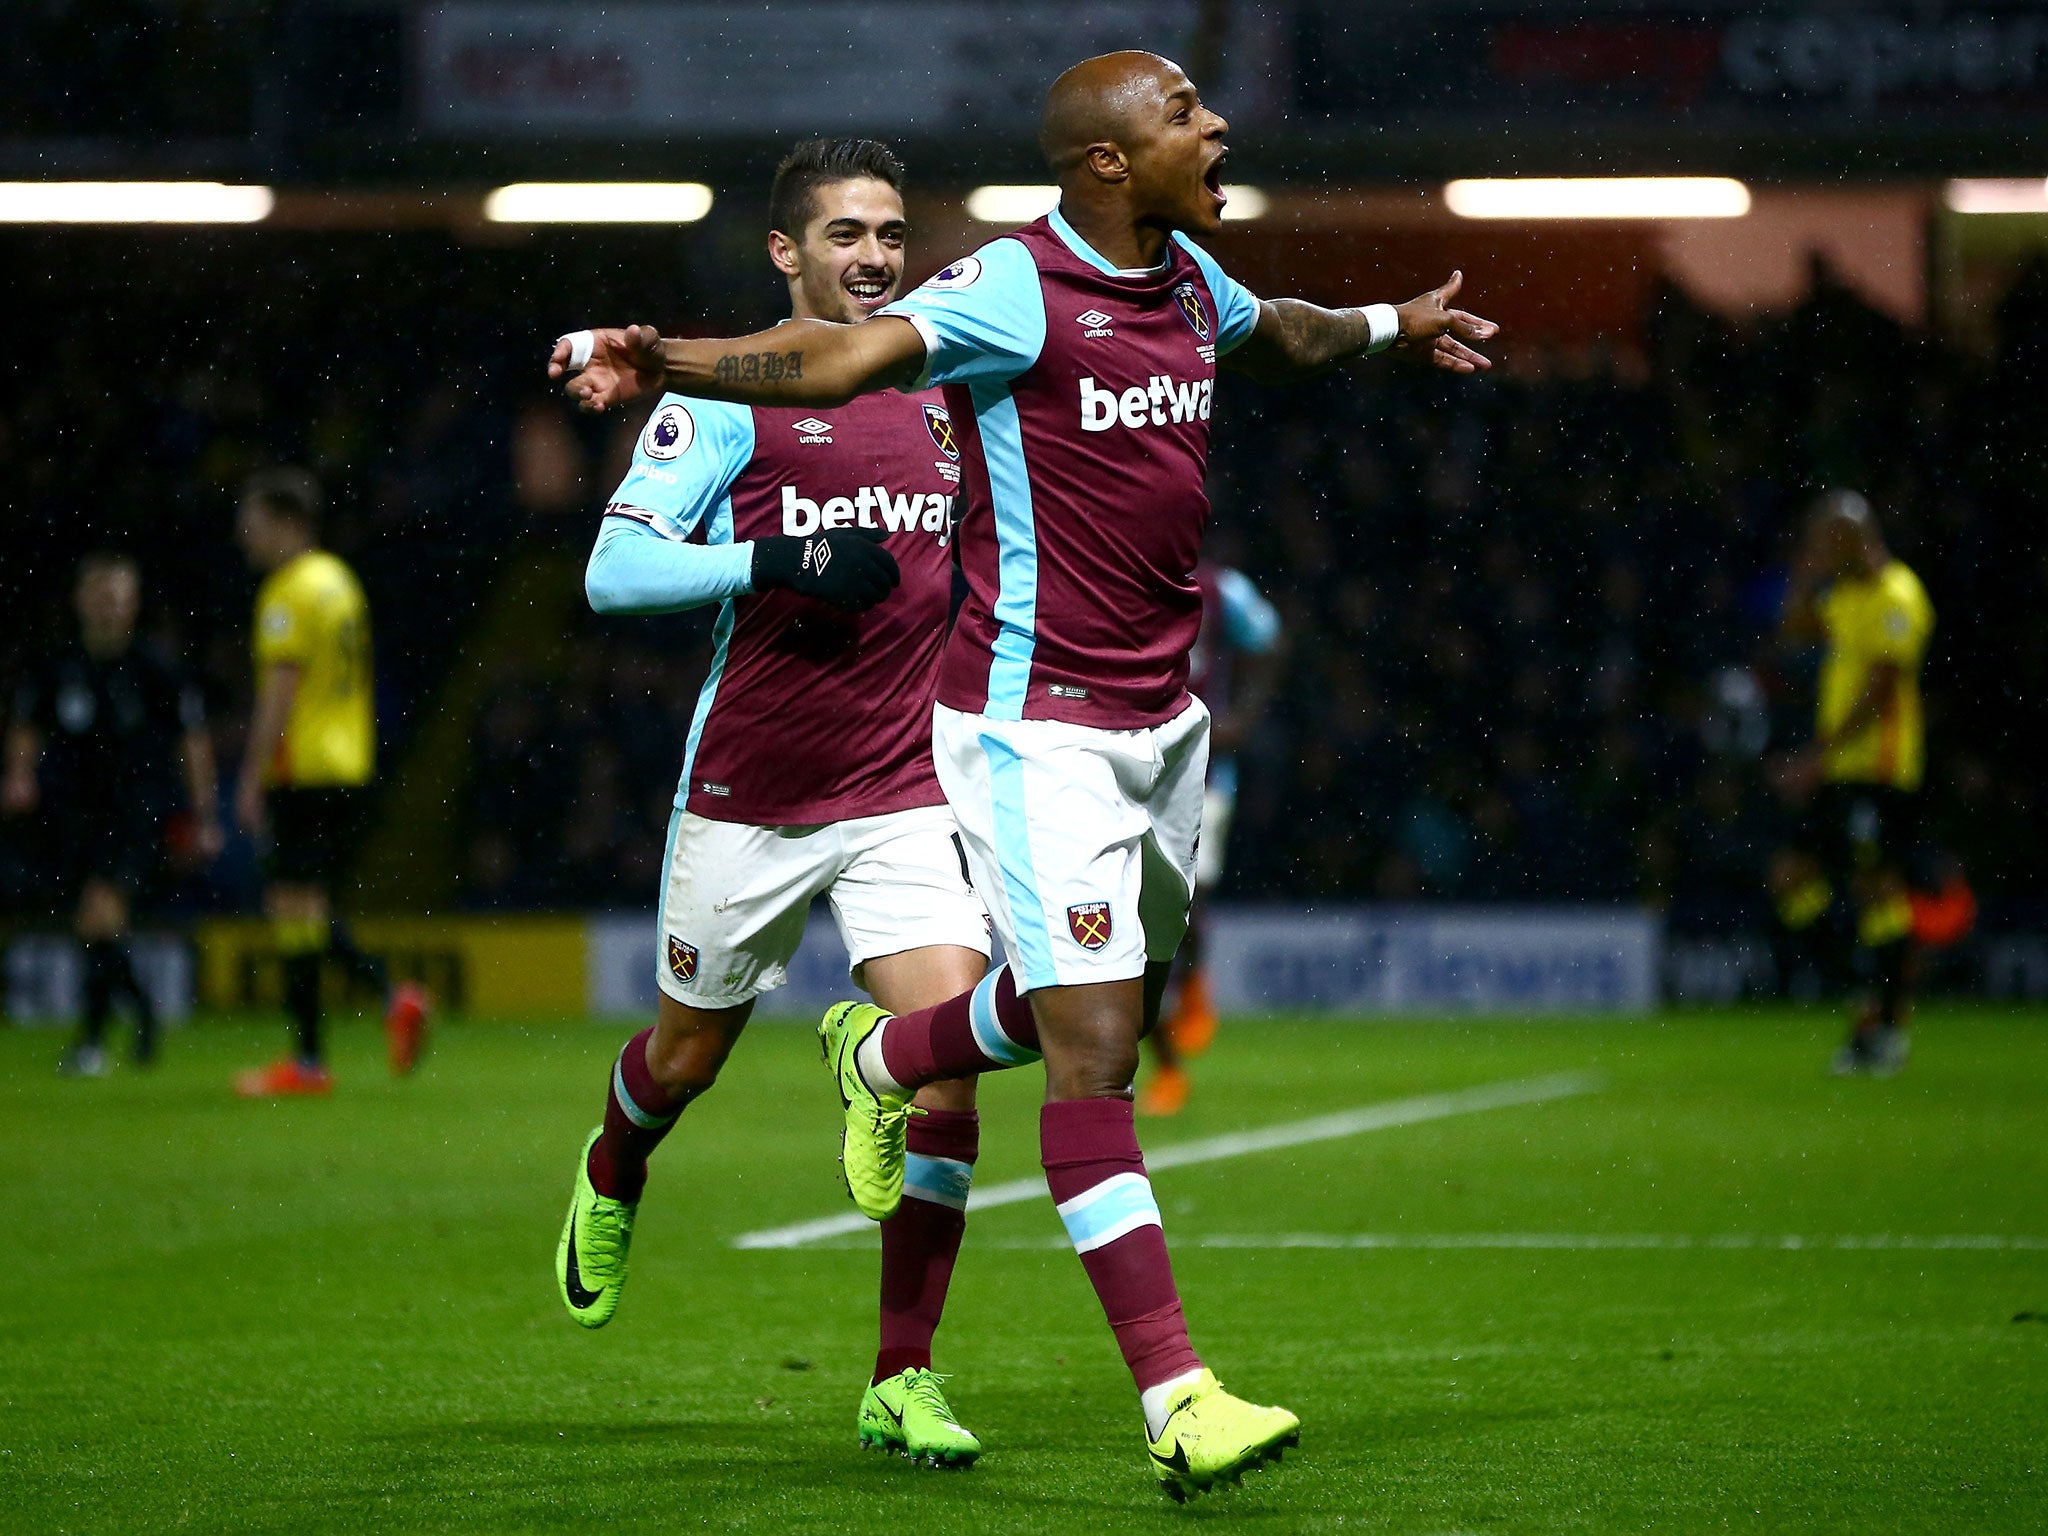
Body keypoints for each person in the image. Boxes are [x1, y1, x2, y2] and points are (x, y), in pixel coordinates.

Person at [549, 51, 1496, 1498]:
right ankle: (1165, 1391)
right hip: (879, 760)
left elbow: (1277, 334)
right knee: (750, 1057)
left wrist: (1386, 323)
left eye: (886, 232)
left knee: (1043, 1044)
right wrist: (672, 368)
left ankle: (895, 1314)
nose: (873, 257)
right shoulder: (970, 310)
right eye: (1183, 113)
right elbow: (803, 388)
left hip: (1048, 750)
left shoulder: (1160, 288)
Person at [554, 139, 994, 1467]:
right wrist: (772, 551)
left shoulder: (936, 389)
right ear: (784, 253)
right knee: (684, 1060)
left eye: (891, 233)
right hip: (751, 790)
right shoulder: (731, 403)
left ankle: (900, 1379)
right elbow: (612, 573)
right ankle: (614, 1170)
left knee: (954, 1065)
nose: (873, 255)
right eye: (846, 234)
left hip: (902, 787)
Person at [231, 468, 427, 1097]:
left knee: (292, 910)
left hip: (302, 765)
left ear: (289, 523)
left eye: (255, 521)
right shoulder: (340, 582)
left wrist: (251, 777)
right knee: (305, 907)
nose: (245, 534)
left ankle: (315, 1058)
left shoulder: (288, 592)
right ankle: (385, 1002)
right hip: (348, 761)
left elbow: (280, 692)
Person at [3, 552, 222, 1074]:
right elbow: (26, 725)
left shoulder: (155, 667)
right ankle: (139, 1014)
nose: (111, 605)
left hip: (136, 807)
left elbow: (192, 743)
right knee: (95, 923)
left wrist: (204, 813)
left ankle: (94, 1040)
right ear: (81, 600)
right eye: (101, 594)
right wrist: (19, 775)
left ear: (134, 603)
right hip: (73, 809)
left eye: (120, 595)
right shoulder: (57, 663)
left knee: (99, 911)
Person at [1769, 490, 1934, 1076]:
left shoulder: (1899, 594)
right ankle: (1860, 995)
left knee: (1877, 890)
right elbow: (1794, 633)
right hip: (1841, 771)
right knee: (1791, 880)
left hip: (1881, 770)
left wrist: (1815, 756)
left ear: (1855, 539)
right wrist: (1802, 576)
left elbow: (1885, 689)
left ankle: (1888, 1028)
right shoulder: (1844, 594)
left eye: (1825, 541)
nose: (1818, 550)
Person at [1138, 560, 1281, 1116]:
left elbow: (1271, 644)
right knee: (1130, 920)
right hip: (1129, 767)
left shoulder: (1223, 589)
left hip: (1203, 770)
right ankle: (1166, 1067)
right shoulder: (1115, 570)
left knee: (1184, 900)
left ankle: (1194, 982)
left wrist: (1244, 715)